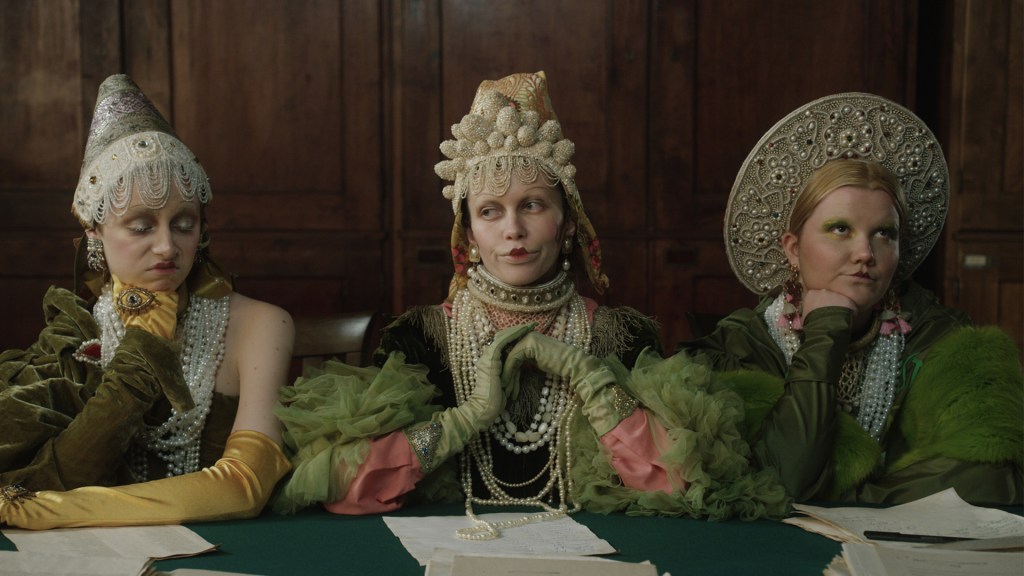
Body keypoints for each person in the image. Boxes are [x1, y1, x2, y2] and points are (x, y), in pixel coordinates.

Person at [272, 71, 788, 538]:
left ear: (568, 225)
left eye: (533, 205)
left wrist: (587, 375)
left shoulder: (620, 335)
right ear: (468, 235)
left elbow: (682, 484)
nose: (513, 229)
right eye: (490, 211)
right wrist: (469, 416)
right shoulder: (421, 337)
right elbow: (342, 488)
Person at [679, 92, 1022, 505]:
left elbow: (991, 472)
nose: (865, 253)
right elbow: (783, 478)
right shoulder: (743, 344)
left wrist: (843, 496)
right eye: (840, 229)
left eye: (884, 233)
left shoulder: (939, 337)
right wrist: (824, 334)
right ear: (793, 248)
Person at [0, 74, 294, 529]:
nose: (166, 247)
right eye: (141, 227)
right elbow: (57, 471)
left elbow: (246, 484)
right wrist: (137, 358)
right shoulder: (74, 332)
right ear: (94, 234)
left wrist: (42, 509)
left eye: (184, 225)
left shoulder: (261, 324)